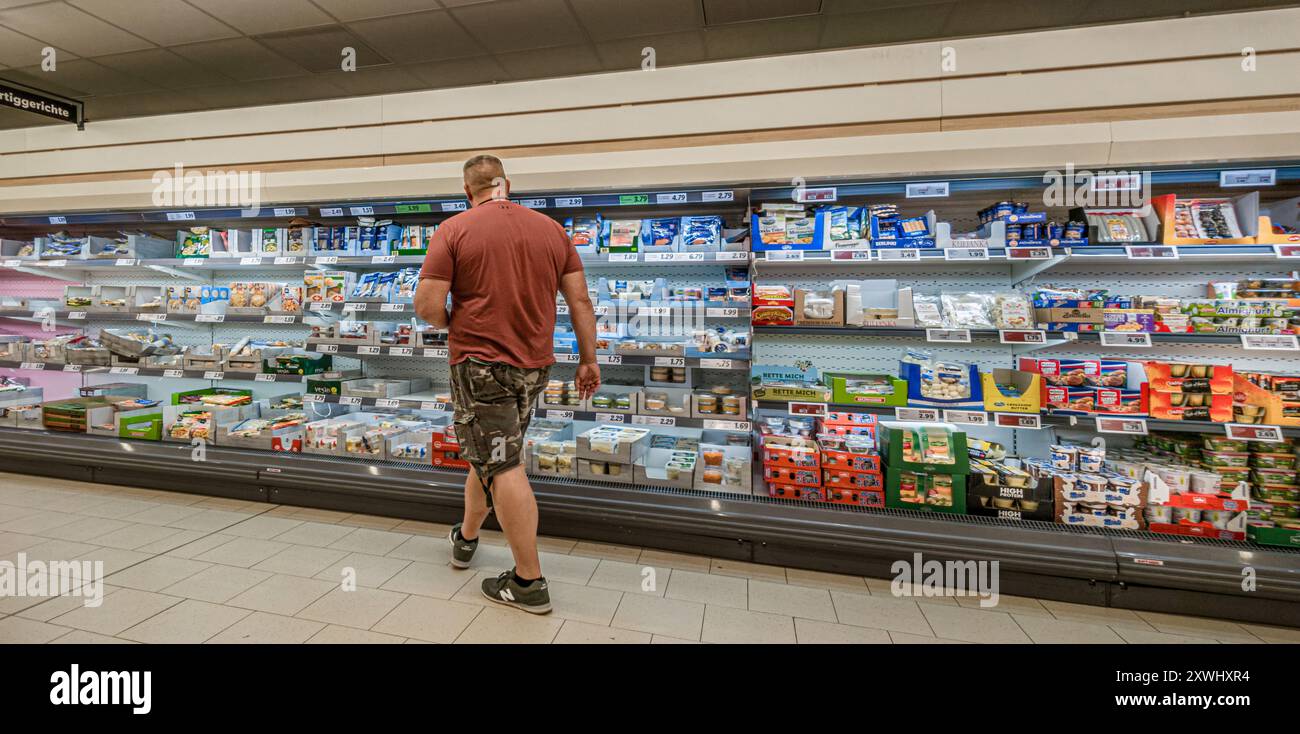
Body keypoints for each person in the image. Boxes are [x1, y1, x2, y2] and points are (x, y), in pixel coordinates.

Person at [415, 154, 600, 614]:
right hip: (533, 367)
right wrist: (589, 359)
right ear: (507, 184)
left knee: (502, 464)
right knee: (495, 453)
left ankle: (528, 581)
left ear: (467, 191)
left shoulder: (454, 230)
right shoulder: (552, 231)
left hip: (481, 366)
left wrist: (456, 323)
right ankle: (468, 538)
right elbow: (580, 300)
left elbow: (426, 306)